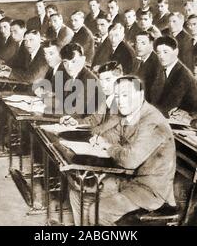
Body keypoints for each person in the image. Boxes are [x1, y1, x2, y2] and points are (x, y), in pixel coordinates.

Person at [68, 76, 177, 226]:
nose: (120, 101)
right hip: (128, 179)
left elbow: (130, 160)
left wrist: (108, 147)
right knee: (78, 193)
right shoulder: (130, 114)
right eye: (117, 96)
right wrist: (100, 140)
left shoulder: (152, 121)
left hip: (150, 190)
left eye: (125, 95)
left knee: (97, 211)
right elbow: (112, 135)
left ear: (140, 95)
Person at [59, 61, 122, 128]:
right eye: (101, 80)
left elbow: (111, 131)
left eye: (108, 79)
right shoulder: (105, 98)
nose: (103, 85)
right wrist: (76, 122)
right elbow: (94, 120)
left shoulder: (123, 102)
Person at [151, 36, 197, 118]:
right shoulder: (162, 70)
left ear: (176, 52)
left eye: (165, 52)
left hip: (182, 122)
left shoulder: (183, 75)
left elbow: (169, 105)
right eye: (159, 53)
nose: (161, 56)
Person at [51, 43, 102, 118]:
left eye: (73, 61)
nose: (69, 67)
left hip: (82, 123)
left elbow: (76, 112)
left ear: (83, 59)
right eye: (65, 62)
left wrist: (44, 108)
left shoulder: (90, 80)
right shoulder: (68, 75)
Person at [133, 31, 163, 101]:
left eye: (143, 43)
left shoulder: (157, 64)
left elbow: (154, 95)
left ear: (151, 44)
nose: (138, 46)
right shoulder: (139, 61)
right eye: (137, 43)